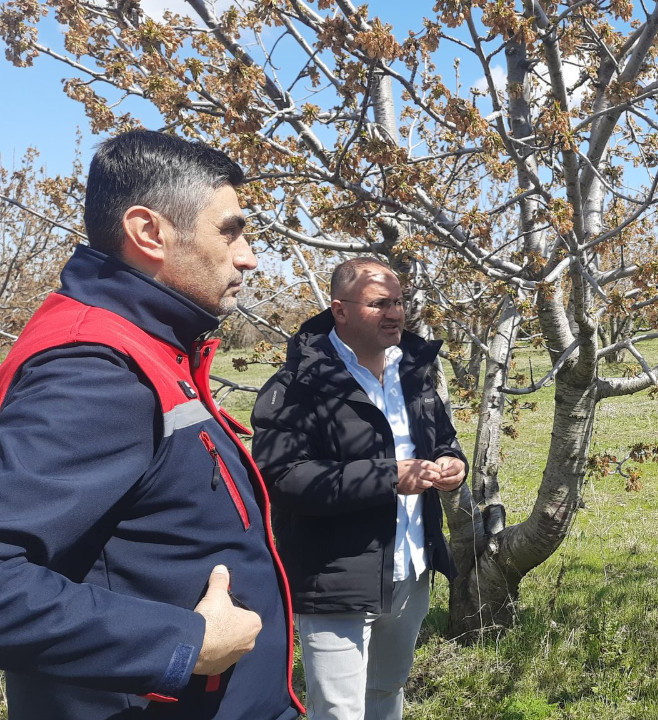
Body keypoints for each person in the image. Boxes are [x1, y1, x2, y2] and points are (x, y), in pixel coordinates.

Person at [0, 130, 302, 719]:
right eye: (230, 230)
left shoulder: (153, 348)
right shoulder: (95, 368)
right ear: (149, 233)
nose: (249, 255)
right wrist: (184, 644)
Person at [251, 257, 467, 720]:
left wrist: (454, 464)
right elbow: (283, 478)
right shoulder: (300, 383)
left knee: (387, 694)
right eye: (378, 303)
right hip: (336, 576)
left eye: (399, 302)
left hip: (411, 567)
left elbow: (442, 439)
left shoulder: (414, 370)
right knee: (339, 710)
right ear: (340, 310)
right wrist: (389, 478)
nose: (395, 313)